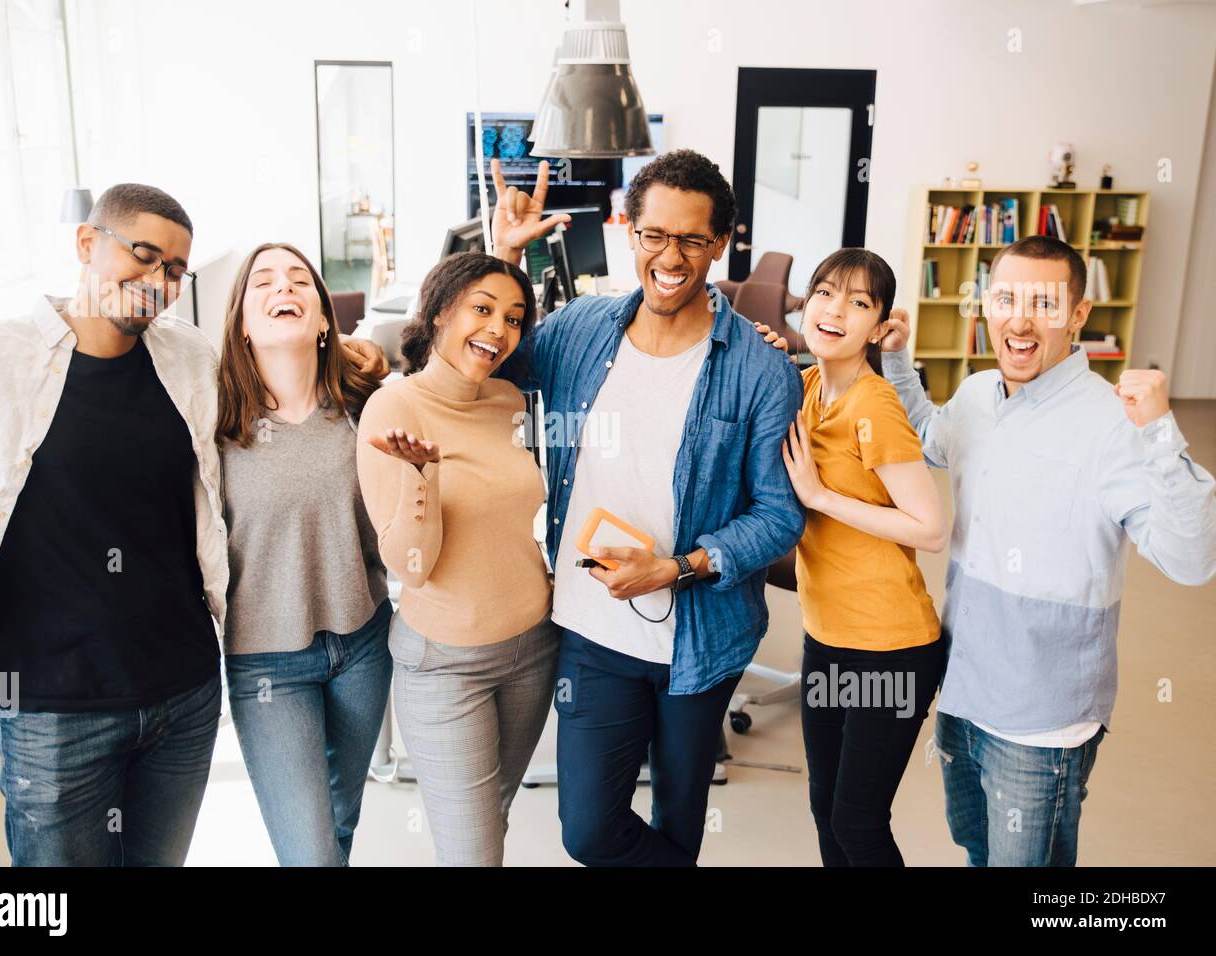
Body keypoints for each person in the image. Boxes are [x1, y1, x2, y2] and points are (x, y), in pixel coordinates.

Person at [0, 171, 388, 865]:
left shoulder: (188, 358)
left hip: (183, 698)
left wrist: (360, 350)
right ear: (86, 242)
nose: (159, 280)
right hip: (54, 710)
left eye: (175, 269)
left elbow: (278, 364)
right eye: (143, 255)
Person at [492, 150, 805, 866]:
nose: (670, 256)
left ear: (720, 243)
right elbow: (489, 365)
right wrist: (504, 257)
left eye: (692, 239)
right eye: (653, 235)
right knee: (590, 829)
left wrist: (678, 568)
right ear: (628, 230)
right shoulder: (580, 331)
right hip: (592, 631)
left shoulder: (761, 371)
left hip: (701, 639)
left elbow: (780, 515)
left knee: (678, 818)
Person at [877, 235, 1216, 866]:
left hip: (1041, 719)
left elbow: (1192, 560)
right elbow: (928, 437)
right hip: (963, 686)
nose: (1021, 319)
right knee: (976, 846)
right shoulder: (980, 395)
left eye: (1045, 302)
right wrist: (898, 362)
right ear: (986, 305)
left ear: (1080, 315)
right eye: (1006, 298)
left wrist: (1162, 434)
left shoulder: (1115, 426)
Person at [356, 251, 560, 867]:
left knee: (489, 822)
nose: (498, 329)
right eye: (481, 309)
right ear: (441, 312)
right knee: (471, 853)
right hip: (446, 666)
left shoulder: (507, 400)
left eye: (514, 318)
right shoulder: (394, 410)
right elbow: (411, 565)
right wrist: (423, 476)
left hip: (534, 645)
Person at [215, 242, 389, 866]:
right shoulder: (212, 420)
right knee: (310, 853)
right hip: (267, 663)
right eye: (262, 282)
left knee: (341, 822)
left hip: (364, 645)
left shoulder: (367, 403)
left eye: (298, 281)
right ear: (240, 319)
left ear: (323, 317)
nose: (282, 289)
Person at [778, 248, 947, 866]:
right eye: (824, 293)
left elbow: (930, 528)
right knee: (826, 809)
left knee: (857, 821)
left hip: (890, 644)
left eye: (859, 302)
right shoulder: (809, 384)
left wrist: (820, 496)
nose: (835, 310)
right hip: (827, 634)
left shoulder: (873, 404)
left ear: (877, 329)